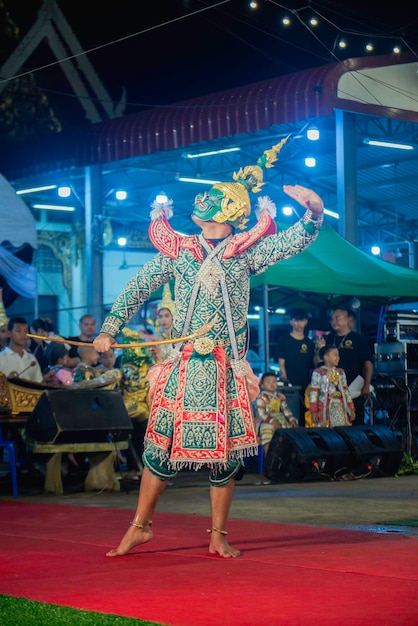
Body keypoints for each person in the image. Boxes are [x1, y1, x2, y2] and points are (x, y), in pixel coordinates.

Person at [94, 139, 324, 558]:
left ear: (228, 214)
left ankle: (218, 534)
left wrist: (314, 212)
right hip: (183, 367)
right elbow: (138, 285)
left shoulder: (246, 252)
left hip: (225, 368)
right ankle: (140, 527)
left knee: (226, 459)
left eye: (212, 202)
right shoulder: (179, 251)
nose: (201, 207)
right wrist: (109, 327)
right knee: (157, 452)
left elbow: (292, 241)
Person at [319, 308, 374, 425]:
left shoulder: (358, 339)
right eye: (332, 319)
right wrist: (319, 349)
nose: (334, 321)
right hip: (331, 391)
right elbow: (318, 362)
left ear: (348, 319)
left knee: (355, 421)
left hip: (353, 389)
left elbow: (368, 364)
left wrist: (366, 385)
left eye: (337, 318)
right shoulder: (328, 338)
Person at [276, 307, 315, 426]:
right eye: (296, 320)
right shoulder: (284, 340)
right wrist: (285, 381)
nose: (299, 324)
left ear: (306, 322)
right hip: (290, 388)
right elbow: (281, 364)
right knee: (291, 415)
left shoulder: (309, 343)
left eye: (302, 320)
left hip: (306, 386)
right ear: (291, 322)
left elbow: (312, 366)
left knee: (305, 415)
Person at [308, 345, 355, 428]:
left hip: (340, 407)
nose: (338, 357)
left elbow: (345, 391)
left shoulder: (340, 372)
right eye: (335, 355)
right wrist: (314, 411)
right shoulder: (318, 372)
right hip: (325, 408)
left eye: (338, 355)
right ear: (326, 357)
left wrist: (351, 408)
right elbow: (314, 393)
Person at [255, 372, 298, 456]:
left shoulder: (280, 396)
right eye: (268, 382)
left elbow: (286, 410)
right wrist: (272, 421)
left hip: (280, 419)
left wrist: (292, 420)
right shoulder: (261, 397)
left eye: (274, 382)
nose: (272, 384)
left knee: (291, 429)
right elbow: (261, 414)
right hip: (265, 421)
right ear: (262, 385)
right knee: (267, 430)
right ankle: (268, 457)